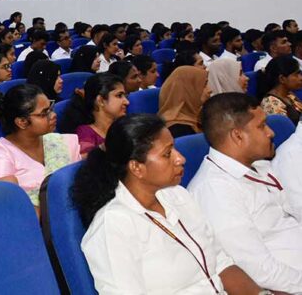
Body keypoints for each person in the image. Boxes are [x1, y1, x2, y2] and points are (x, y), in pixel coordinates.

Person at [73, 114, 264, 295]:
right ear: (137, 168)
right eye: (167, 153)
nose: (180, 158)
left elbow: (221, 263)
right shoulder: (113, 226)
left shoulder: (177, 195)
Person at [189, 93, 302, 293]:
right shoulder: (216, 191)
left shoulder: (259, 165)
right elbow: (260, 271)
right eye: (261, 126)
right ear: (238, 136)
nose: (271, 133)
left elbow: (291, 218)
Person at [0, 84, 79, 207]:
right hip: (32, 222)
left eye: (51, 108)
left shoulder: (59, 141)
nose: (53, 115)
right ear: (22, 122)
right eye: (44, 113)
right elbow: (7, 204)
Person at [59, 73, 128, 156]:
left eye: (125, 96)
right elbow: (90, 162)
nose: (127, 102)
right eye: (119, 96)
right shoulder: (85, 134)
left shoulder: (123, 126)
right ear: (100, 101)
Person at [159, 66, 211, 138]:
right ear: (188, 90)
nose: (209, 90)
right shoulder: (177, 129)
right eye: (204, 85)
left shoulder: (197, 115)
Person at [259, 56, 302, 123]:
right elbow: (285, 131)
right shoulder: (271, 103)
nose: (300, 78)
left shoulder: (289, 94)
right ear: (282, 79)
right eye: (296, 75)